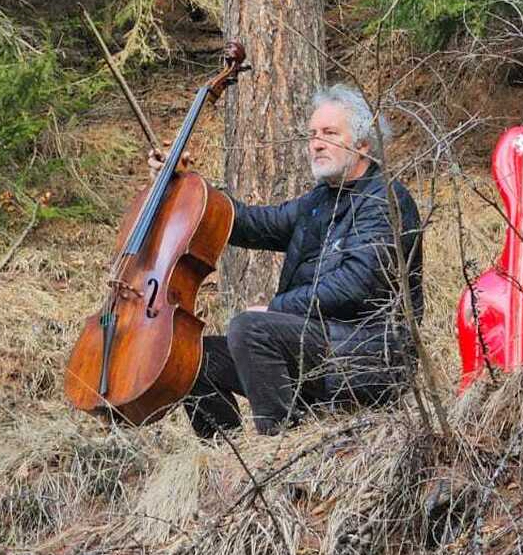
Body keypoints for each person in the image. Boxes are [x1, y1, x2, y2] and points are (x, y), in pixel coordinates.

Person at [149, 84, 423, 438]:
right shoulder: (319, 201)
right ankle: (225, 459)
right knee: (190, 356)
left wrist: (277, 308)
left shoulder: (385, 200)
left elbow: (357, 283)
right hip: (320, 348)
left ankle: (277, 448)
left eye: (329, 133)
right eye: (312, 134)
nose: (317, 143)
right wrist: (184, 186)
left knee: (250, 328)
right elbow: (251, 223)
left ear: (363, 144)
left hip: (370, 357)